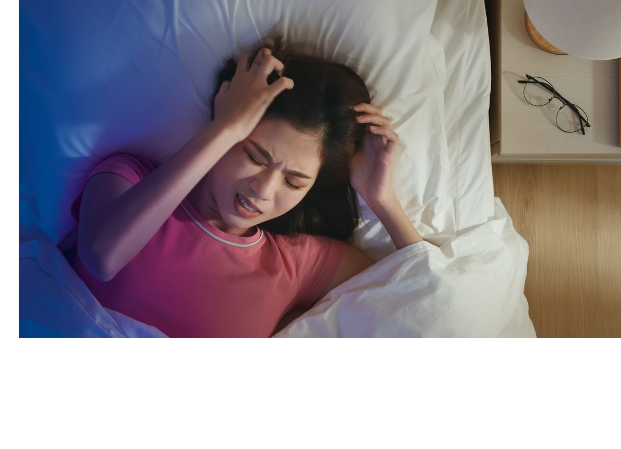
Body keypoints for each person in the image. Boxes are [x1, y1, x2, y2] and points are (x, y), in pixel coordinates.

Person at [69, 34, 423, 337]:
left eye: (293, 181)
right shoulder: (130, 179)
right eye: (254, 155)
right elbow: (101, 258)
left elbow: (419, 302)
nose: (263, 190)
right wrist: (224, 129)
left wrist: (382, 200)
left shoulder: (297, 263)